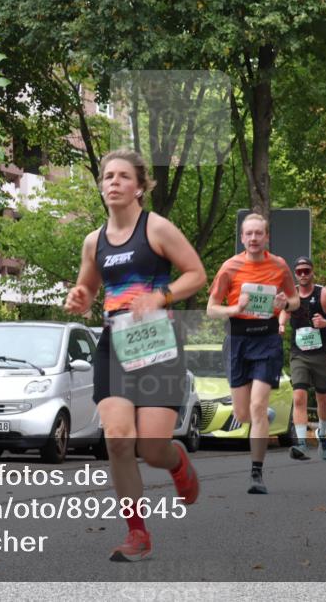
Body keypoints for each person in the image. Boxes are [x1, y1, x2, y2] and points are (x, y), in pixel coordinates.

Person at [65, 149, 207, 562]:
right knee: (118, 441)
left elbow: (196, 274)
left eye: (123, 176)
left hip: (156, 345)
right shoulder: (94, 241)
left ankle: (177, 462)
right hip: (114, 345)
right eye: (107, 176)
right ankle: (137, 533)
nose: (113, 182)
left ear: (140, 186)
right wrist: (80, 297)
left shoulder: (157, 229)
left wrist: (159, 297)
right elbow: (88, 288)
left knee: (151, 448)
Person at [207, 214, 299, 494]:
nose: (254, 238)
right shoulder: (230, 267)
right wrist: (234, 309)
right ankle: (260, 415)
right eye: (249, 234)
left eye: (259, 233)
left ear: (267, 237)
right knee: (242, 413)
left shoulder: (279, 265)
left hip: (268, 338)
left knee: (257, 408)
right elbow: (212, 308)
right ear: (243, 237)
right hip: (238, 339)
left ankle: (256, 474)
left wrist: (286, 302)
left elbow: (294, 299)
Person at [278, 257, 326, 461]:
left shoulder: (324, 294)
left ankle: (322, 435)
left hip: (321, 354)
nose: (303, 274)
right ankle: (301, 444)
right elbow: (284, 312)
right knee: (298, 396)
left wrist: (325, 322)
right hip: (299, 354)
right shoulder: (292, 294)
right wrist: (281, 325)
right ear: (295, 274)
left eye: (307, 271)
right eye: (300, 272)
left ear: (312, 271)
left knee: (323, 399)